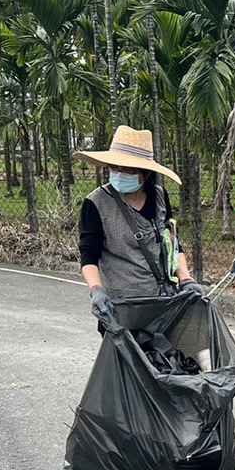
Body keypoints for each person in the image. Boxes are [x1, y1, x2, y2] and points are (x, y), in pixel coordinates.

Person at [76, 126, 201, 325]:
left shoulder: (159, 197)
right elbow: (89, 254)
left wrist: (185, 279)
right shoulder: (96, 203)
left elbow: (172, 243)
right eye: (114, 168)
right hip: (122, 305)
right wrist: (96, 289)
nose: (119, 173)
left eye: (128, 170)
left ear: (146, 173)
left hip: (163, 300)